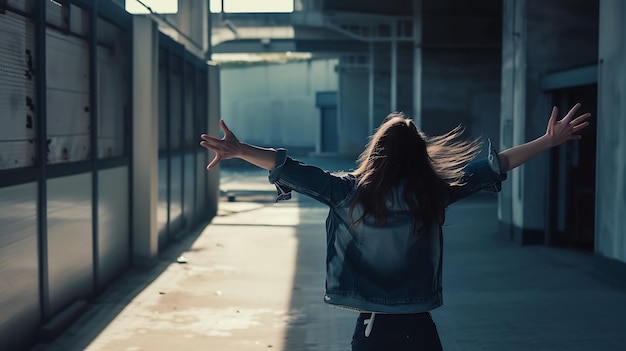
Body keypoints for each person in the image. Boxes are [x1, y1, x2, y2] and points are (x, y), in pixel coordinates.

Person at [199, 103, 591, 351]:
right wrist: (545, 141)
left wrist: (239, 149)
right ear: (419, 156)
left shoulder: (346, 192)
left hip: (372, 331)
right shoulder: (432, 194)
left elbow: (289, 168)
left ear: (377, 153)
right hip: (420, 330)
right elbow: (495, 164)